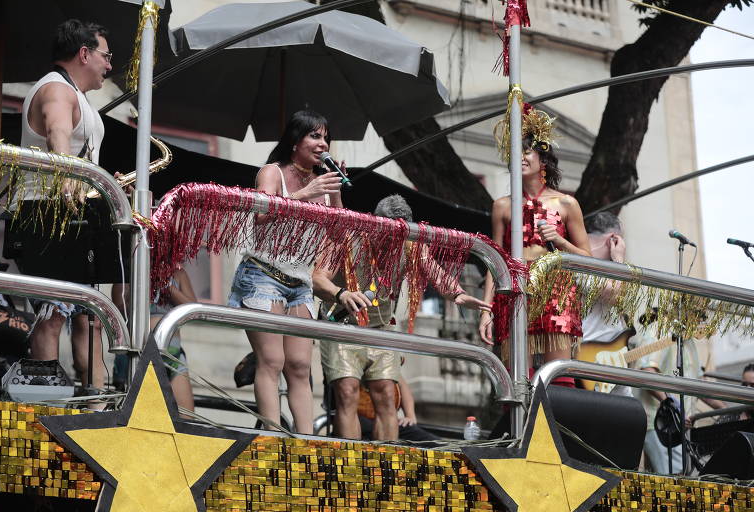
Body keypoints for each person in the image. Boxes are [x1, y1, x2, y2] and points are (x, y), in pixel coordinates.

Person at [314, 195, 490, 440]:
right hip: (342, 325)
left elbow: (437, 275)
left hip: (382, 328)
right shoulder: (349, 235)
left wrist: (458, 294)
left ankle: (386, 463)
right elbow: (318, 279)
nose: (393, 244)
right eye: (389, 236)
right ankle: (351, 463)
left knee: (387, 394)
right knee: (347, 392)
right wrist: (341, 294)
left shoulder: (411, 245)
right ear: (376, 224)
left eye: (401, 237)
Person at [227, 110, 344, 434]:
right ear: (295, 141)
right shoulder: (272, 172)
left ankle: (306, 440)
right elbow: (261, 215)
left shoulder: (323, 182)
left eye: (326, 138)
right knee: (272, 361)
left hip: (300, 282)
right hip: (262, 274)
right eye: (315, 136)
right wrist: (304, 194)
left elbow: (338, 228)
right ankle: (271, 433)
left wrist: (333, 189)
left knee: (300, 365)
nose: (323, 144)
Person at [17, 20, 111, 391]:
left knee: (90, 316)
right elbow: (58, 133)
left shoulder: (77, 94)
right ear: (84, 53)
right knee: (53, 313)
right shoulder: (56, 88)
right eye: (106, 56)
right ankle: (46, 401)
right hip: (48, 211)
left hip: (74, 214)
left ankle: (98, 401)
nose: (109, 65)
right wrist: (71, 179)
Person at [479, 105, 591, 378]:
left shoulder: (566, 203)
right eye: (515, 153)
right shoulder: (502, 206)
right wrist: (486, 310)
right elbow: (495, 261)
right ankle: (521, 421)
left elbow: (588, 259)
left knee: (559, 373)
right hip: (515, 285)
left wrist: (561, 243)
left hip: (556, 285)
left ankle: (559, 420)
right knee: (517, 375)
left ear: (543, 159)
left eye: (526, 151)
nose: (520, 158)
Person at [633, 313, 725, 474]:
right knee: (674, 481)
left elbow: (698, 386)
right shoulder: (659, 328)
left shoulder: (688, 341)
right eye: (699, 315)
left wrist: (727, 411)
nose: (702, 321)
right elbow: (648, 375)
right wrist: (674, 408)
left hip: (678, 425)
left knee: (679, 479)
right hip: (660, 423)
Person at [578, 212, 633, 395]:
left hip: (614, 358)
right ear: (613, 239)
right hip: (590, 362)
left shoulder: (604, 269)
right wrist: (619, 259)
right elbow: (614, 295)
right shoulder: (581, 262)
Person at [149, 268, 196, 415]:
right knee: (150, 414)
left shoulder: (179, 272)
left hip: (174, 355)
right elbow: (121, 305)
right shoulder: (134, 266)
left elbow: (193, 309)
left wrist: (169, 288)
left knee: (186, 417)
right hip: (144, 355)